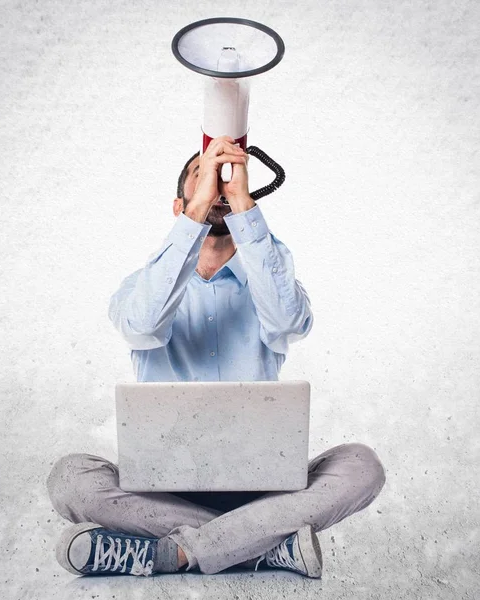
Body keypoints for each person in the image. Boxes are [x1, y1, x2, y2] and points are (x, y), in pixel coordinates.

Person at [46, 136, 386, 578]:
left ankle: (175, 553)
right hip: (161, 492)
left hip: (265, 489)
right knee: (70, 478)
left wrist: (244, 206)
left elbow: (289, 323)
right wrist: (197, 211)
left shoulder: (271, 282)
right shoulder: (140, 286)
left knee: (361, 466)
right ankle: (260, 547)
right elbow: (143, 325)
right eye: (202, 174)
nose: (218, 184)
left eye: (226, 176)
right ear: (178, 205)